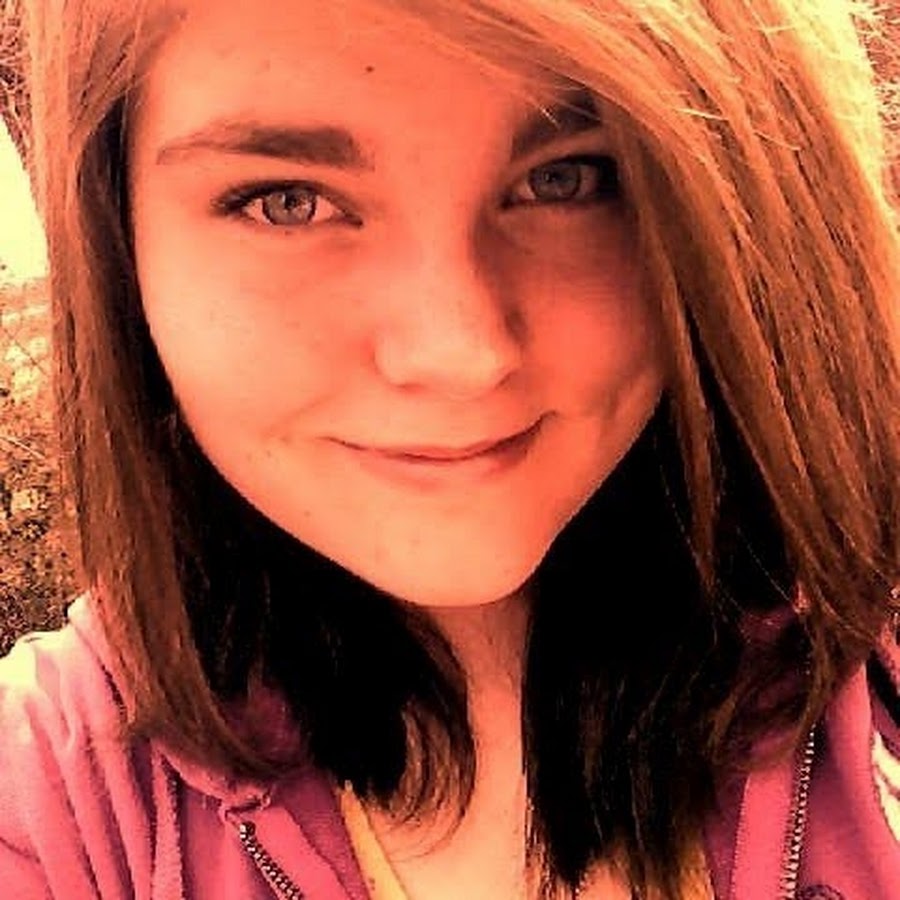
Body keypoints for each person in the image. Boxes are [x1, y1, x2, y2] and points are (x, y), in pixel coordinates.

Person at [1, 0, 899, 897]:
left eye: (568, 179)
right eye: (288, 202)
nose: (462, 354)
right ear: (122, 244)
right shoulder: (53, 799)